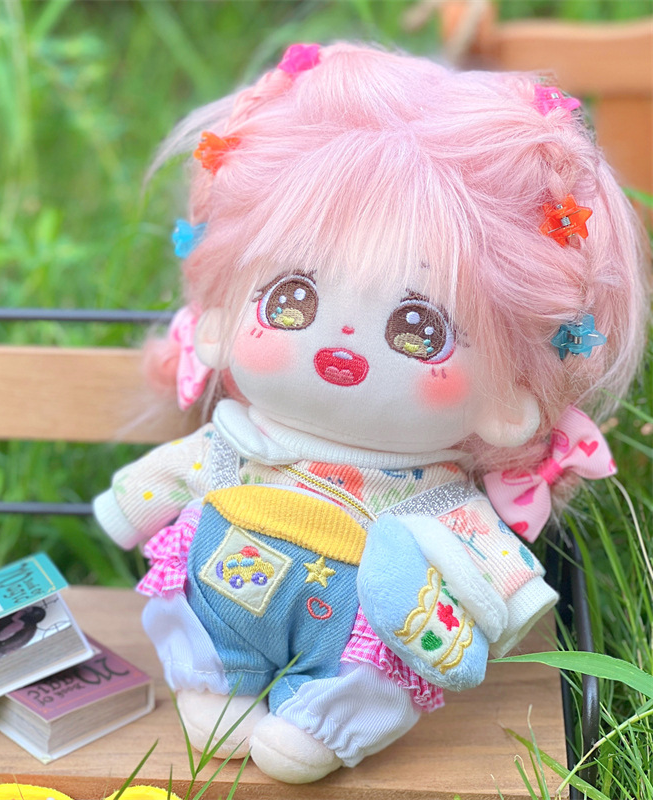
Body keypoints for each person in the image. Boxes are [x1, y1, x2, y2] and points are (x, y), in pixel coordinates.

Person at [93, 42, 649, 783]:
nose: (341, 343)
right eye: (292, 299)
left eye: (418, 329)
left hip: (352, 638)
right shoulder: (239, 443)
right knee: (200, 618)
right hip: (227, 601)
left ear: (507, 404)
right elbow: (172, 477)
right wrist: (130, 505)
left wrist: (504, 605)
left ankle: (327, 720)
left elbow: (497, 585)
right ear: (221, 321)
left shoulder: (437, 500)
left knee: (380, 658)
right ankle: (214, 679)